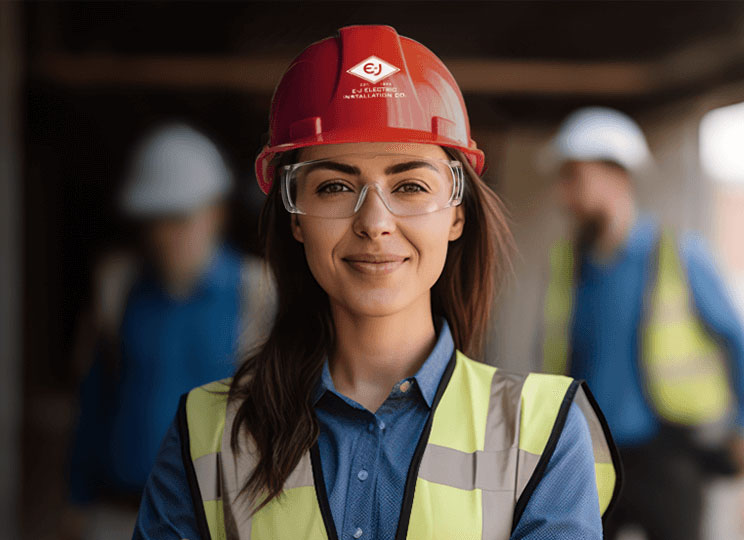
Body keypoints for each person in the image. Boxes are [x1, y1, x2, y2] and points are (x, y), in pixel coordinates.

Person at [134, 26, 620, 540]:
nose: (375, 222)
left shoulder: (544, 432)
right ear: (295, 218)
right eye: (335, 186)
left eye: (410, 185)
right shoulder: (204, 434)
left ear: (456, 215)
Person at [539, 106, 744, 540]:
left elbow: (736, 338)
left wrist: (742, 428)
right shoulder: (570, 265)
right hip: (589, 459)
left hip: (669, 456)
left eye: (575, 176)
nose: (564, 194)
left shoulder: (678, 255)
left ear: (618, 177)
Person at [66, 123, 274, 539]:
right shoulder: (119, 288)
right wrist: (75, 501)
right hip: (116, 512)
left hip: (212, 518)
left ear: (216, 211)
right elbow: (94, 402)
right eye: (154, 220)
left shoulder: (259, 293)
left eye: (179, 218)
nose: (165, 236)